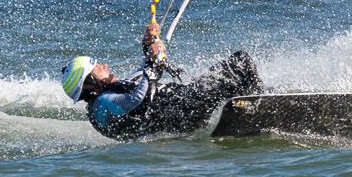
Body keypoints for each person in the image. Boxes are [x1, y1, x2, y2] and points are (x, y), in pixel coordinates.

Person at [60, 22, 263, 141]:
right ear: (90, 80)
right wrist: (154, 64)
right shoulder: (102, 105)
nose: (103, 65)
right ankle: (261, 103)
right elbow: (139, 98)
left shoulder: (107, 96)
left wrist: (148, 45)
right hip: (186, 109)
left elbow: (140, 75)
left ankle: (251, 101)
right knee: (240, 62)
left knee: (232, 77)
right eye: (96, 66)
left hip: (184, 106)